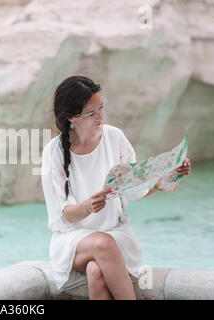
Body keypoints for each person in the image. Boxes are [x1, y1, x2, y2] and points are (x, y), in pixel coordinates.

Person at [41, 75, 191, 300]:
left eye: (101, 108)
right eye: (91, 114)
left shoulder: (115, 137)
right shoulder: (53, 152)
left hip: (116, 233)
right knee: (103, 244)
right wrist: (88, 206)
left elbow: (136, 188)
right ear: (71, 117)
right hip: (73, 241)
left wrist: (168, 176)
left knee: (95, 272)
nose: (100, 116)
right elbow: (65, 215)